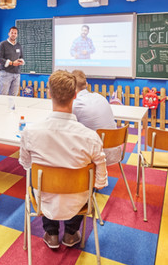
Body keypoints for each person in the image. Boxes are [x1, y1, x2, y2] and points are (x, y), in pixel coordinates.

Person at [19, 70, 107, 249]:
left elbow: (26, 164)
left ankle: (51, 233)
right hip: (78, 200)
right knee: (84, 184)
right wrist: (98, 182)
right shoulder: (90, 137)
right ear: (75, 95)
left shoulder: (30, 132)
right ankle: (71, 232)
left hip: (44, 200)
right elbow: (100, 180)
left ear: (49, 93)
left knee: (38, 180)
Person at [71, 70, 120, 163]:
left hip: (97, 155)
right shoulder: (100, 97)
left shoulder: (76, 103)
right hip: (115, 151)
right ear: (87, 84)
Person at [0, 26, 25, 96]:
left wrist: (21, 61)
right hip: (6, 73)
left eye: (15, 33)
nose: (13, 34)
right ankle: (2, 107)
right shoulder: (3, 44)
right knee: (4, 95)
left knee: (14, 96)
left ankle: (11, 107)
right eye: (12, 33)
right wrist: (12, 63)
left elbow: (22, 57)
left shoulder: (19, 45)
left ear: (17, 35)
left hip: (17, 74)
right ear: (9, 33)